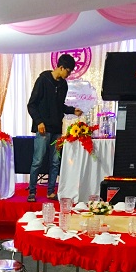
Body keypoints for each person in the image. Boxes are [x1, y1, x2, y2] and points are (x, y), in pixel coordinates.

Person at [27, 54, 83, 202]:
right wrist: (39, 122)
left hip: (57, 129)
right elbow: (31, 104)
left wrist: (72, 110)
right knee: (38, 160)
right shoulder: (43, 80)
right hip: (43, 129)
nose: (68, 75)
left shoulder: (63, 85)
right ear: (61, 67)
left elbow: (59, 106)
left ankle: (51, 191)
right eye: (68, 71)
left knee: (55, 162)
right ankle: (32, 191)